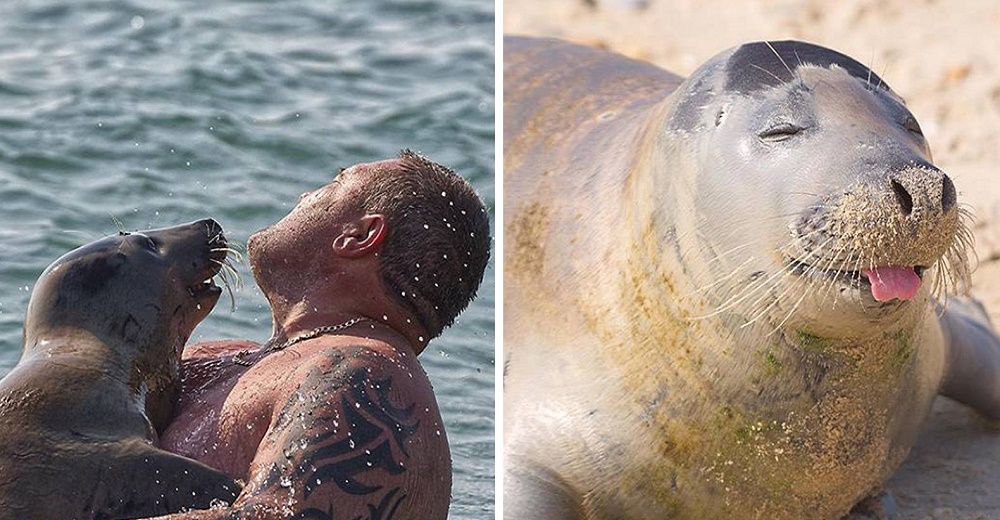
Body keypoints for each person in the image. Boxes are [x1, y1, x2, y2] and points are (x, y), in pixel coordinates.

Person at [147, 151, 491, 519]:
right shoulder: (225, 357)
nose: (305, 195)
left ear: (359, 235)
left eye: (335, 182)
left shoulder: (364, 375)